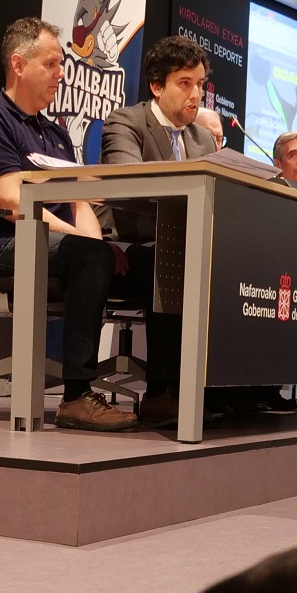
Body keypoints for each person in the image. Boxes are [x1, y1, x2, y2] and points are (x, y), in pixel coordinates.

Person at [0, 17, 138, 432]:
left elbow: (78, 202)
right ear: (19, 65)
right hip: (0, 244)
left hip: (54, 241)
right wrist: (84, 245)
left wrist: (99, 246)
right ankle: (76, 398)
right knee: (91, 256)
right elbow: (12, 201)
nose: (62, 74)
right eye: (53, 64)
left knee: (142, 266)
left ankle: (170, 392)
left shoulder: (56, 133)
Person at [99, 36, 222, 427]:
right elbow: (129, 189)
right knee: (172, 258)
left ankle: (223, 389)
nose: (196, 94)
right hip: (126, 244)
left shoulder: (201, 138)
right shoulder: (126, 122)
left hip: (179, 244)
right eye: (185, 83)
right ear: (157, 85)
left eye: (200, 84)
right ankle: (160, 393)